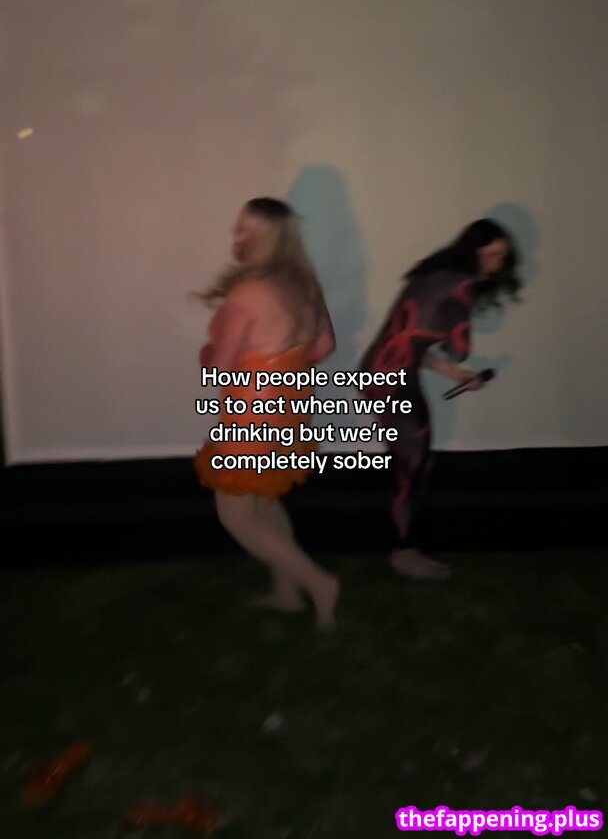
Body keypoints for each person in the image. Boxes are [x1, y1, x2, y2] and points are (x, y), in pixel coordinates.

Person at [194, 197, 340, 630]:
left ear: (265, 238)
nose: (234, 234)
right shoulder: (304, 285)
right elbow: (325, 346)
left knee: (236, 516)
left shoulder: (246, 295)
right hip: (290, 411)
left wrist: (209, 355)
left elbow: (221, 370)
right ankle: (286, 593)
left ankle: (320, 584)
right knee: (265, 503)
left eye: (243, 229)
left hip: (252, 418)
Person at [358, 218, 522, 581]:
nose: (495, 265)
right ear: (471, 252)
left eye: (501, 257)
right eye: (490, 255)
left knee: (414, 463)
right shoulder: (461, 284)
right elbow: (458, 348)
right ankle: (403, 552)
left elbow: (410, 341)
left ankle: (406, 547)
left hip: (384, 373)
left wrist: (453, 374)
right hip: (391, 379)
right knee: (412, 465)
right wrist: (460, 344)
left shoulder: (434, 275)